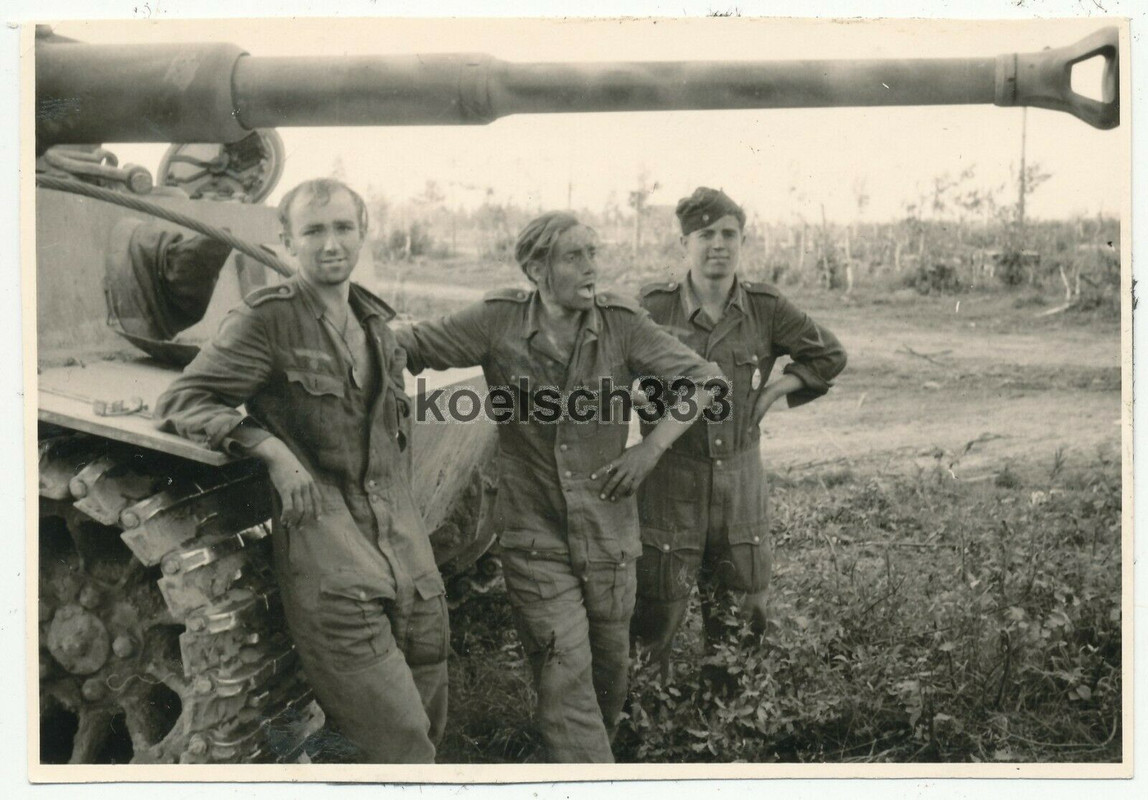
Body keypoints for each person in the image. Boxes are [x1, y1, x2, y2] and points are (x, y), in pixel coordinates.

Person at [394, 211, 720, 762]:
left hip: (609, 534)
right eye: (575, 257)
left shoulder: (621, 324)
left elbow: (706, 381)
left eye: (593, 253)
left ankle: (585, 759)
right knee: (564, 674)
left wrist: (649, 449)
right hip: (535, 537)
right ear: (535, 269)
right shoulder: (497, 321)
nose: (592, 267)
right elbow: (408, 346)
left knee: (609, 672)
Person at [155, 178, 448, 763]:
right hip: (331, 555)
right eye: (314, 231)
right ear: (288, 241)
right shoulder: (268, 319)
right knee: (401, 741)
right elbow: (183, 400)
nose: (330, 243)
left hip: (405, 547)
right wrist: (269, 448)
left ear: (363, 234)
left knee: (428, 702)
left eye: (343, 228)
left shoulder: (375, 324)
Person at [631, 186, 847, 677]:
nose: (718, 245)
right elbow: (609, 369)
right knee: (652, 619)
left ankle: (726, 716)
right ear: (684, 243)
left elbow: (829, 355)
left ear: (743, 241)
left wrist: (774, 391)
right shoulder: (652, 307)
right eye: (705, 234)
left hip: (741, 487)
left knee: (743, 622)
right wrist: (640, 397)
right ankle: (645, 714)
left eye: (729, 234)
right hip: (669, 483)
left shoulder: (765, 307)